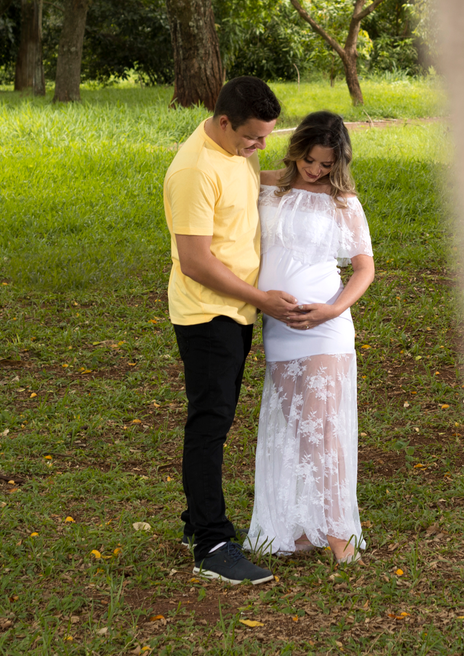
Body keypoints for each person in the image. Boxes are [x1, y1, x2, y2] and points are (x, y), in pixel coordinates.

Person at [163, 76, 298, 585]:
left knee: (216, 420)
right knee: (210, 425)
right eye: (253, 138)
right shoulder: (194, 170)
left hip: (236, 310)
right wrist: (261, 298)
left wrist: (310, 177)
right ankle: (212, 543)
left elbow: (253, 184)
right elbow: (196, 261)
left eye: (266, 137)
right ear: (224, 122)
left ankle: (195, 519)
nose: (261, 148)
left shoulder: (236, 151)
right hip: (207, 314)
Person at [244, 111, 375, 564]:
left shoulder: (343, 201)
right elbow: (224, 160)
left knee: (322, 430)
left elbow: (364, 268)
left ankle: (340, 536)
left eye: (326, 165)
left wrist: (333, 309)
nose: (316, 171)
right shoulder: (264, 183)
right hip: (279, 327)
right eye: (311, 161)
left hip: (327, 328)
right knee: (298, 430)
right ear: (297, 148)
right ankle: (301, 527)